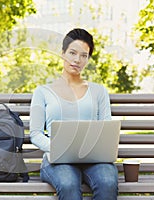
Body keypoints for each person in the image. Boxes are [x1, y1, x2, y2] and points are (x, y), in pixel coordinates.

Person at [29, 28, 118, 200]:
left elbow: (106, 127)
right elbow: (35, 134)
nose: (77, 60)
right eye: (72, 53)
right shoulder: (43, 92)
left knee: (107, 182)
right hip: (58, 160)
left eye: (84, 55)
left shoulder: (99, 91)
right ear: (62, 53)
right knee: (68, 184)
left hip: (94, 159)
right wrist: (59, 149)